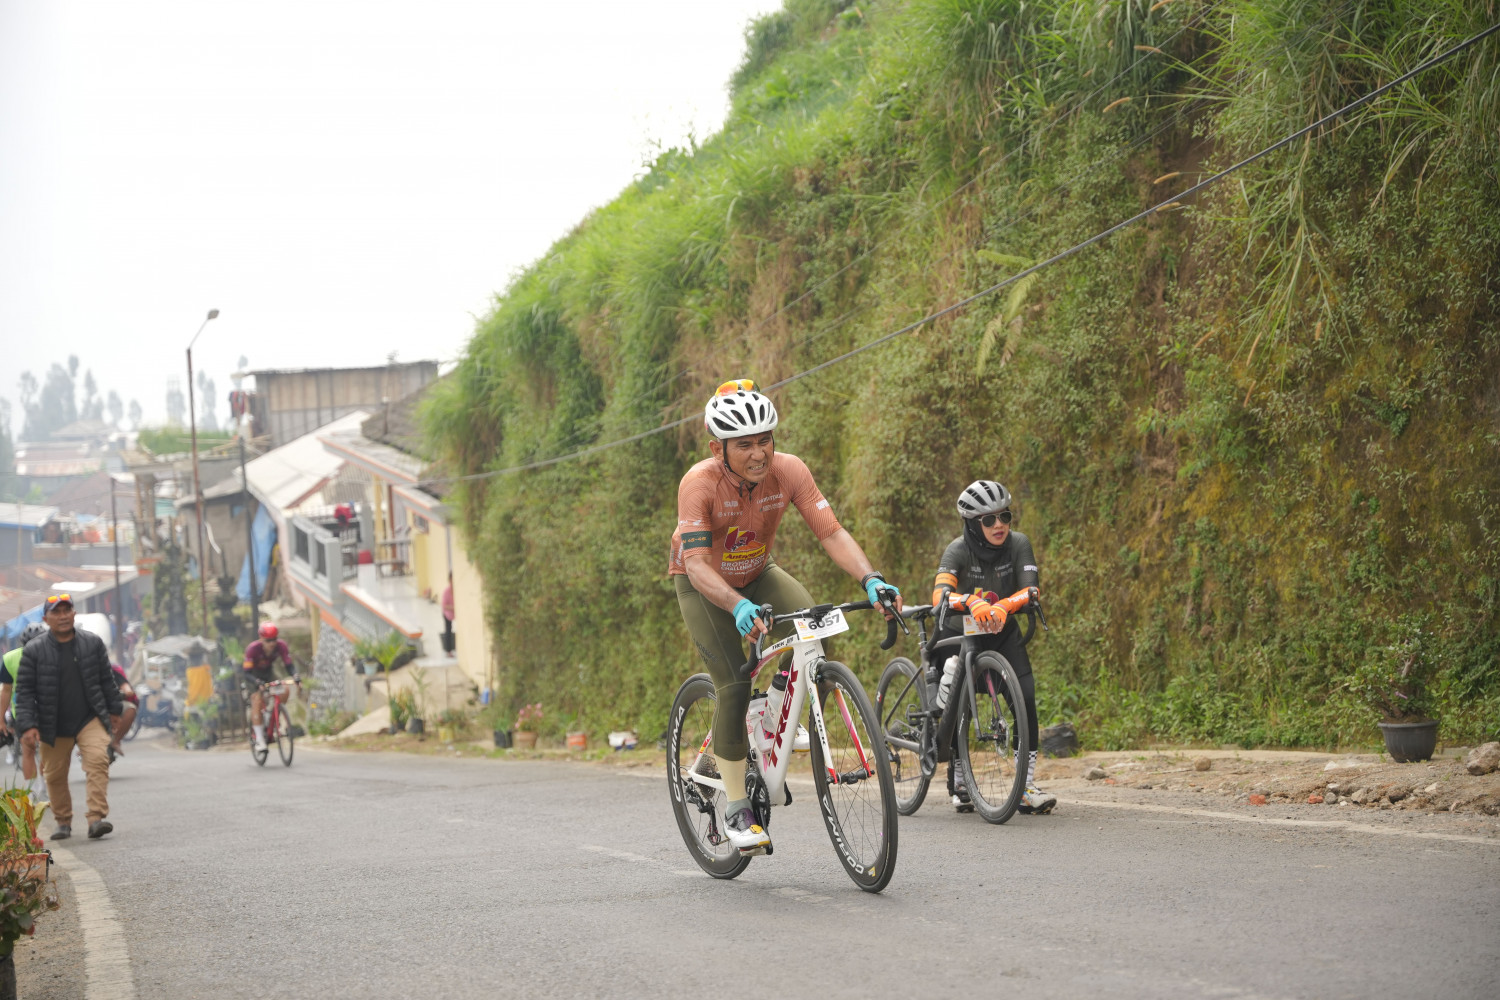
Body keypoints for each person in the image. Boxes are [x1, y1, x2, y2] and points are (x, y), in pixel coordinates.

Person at [669, 378, 902, 853]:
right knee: (734, 684)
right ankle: (737, 807)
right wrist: (736, 605)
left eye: (765, 440)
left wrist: (870, 578)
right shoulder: (699, 483)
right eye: (744, 445)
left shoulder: (790, 470)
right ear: (718, 449)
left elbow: (831, 531)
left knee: (817, 625)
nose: (759, 454)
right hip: (703, 584)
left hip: (759, 571)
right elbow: (696, 565)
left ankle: (776, 707)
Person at [930, 480, 1055, 814]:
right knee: (959, 706)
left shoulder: (1019, 544)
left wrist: (1005, 605)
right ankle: (959, 780)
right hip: (960, 633)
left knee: (1025, 698)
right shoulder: (957, 551)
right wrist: (970, 601)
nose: (999, 525)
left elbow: (1031, 590)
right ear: (973, 524)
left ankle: (1025, 786)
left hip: (1002, 631)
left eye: (1005, 516)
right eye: (989, 520)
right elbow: (939, 596)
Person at [15, 594, 124, 840]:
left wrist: (114, 710)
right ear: (46, 619)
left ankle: (96, 818)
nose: (63, 616)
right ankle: (63, 821)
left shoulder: (92, 643)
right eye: (56, 612)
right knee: (54, 774)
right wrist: (27, 725)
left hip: (89, 717)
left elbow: (107, 679)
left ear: (74, 614)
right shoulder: (33, 651)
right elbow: (24, 692)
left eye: (67, 610)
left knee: (98, 760)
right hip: (52, 723)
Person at [0, 622, 49, 780]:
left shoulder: (10, 658)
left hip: (37, 710)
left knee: (36, 750)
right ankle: (39, 787)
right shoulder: (10, 659)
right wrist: (1, 718)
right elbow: (6, 691)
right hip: (27, 711)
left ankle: (39, 787)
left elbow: (6, 690)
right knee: (34, 749)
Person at [242, 622, 295, 752]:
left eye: (274, 639)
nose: (272, 643)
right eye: (268, 640)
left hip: (268, 672)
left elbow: (288, 664)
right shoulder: (253, 649)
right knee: (257, 701)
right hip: (253, 676)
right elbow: (246, 673)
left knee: (284, 689)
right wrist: (257, 682)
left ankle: (274, 714)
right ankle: (260, 740)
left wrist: (296, 676)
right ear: (261, 639)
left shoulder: (281, 646)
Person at [107, 664, 139, 762]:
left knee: (130, 709)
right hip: (92, 708)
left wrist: (126, 692)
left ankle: (115, 741)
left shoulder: (112, 671)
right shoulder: (83, 671)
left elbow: (127, 689)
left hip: (113, 706)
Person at [441, 574, 456, 657]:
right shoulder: (446, 591)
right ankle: (448, 651)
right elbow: (444, 605)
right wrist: (453, 607)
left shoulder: (456, 590)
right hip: (447, 613)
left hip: (454, 613)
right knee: (448, 631)